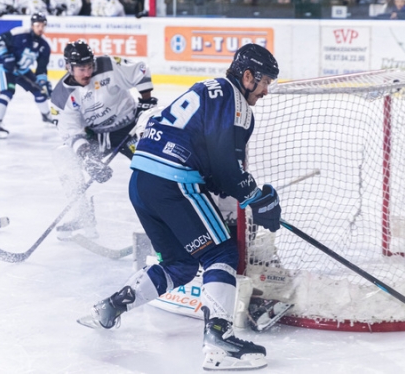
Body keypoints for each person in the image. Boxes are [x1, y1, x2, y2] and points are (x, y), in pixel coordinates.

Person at [77, 44, 282, 371]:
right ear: (247, 76)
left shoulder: (209, 89)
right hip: (174, 179)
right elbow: (226, 166)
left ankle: (110, 308)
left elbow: (216, 171)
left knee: (180, 265)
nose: (267, 90)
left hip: (142, 181)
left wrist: (251, 195)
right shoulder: (234, 101)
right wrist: (257, 197)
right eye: (265, 82)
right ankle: (218, 340)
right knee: (221, 254)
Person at [49, 41, 156, 239]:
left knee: (153, 169)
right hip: (97, 135)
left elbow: (141, 69)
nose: (87, 72)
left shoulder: (108, 64)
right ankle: (83, 217)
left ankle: (164, 217)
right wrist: (87, 157)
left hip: (131, 128)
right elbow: (71, 132)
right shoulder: (60, 97)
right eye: (81, 69)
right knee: (63, 156)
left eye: (89, 66)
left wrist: (146, 102)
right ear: (68, 67)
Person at [0, 13, 55, 138]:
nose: (40, 28)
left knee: (40, 91)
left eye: (43, 25)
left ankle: (47, 117)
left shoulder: (44, 46)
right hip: (4, 68)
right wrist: (7, 57)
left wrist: (42, 83)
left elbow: (41, 69)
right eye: (37, 25)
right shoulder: (19, 33)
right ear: (32, 25)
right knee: (7, 92)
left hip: (22, 70)